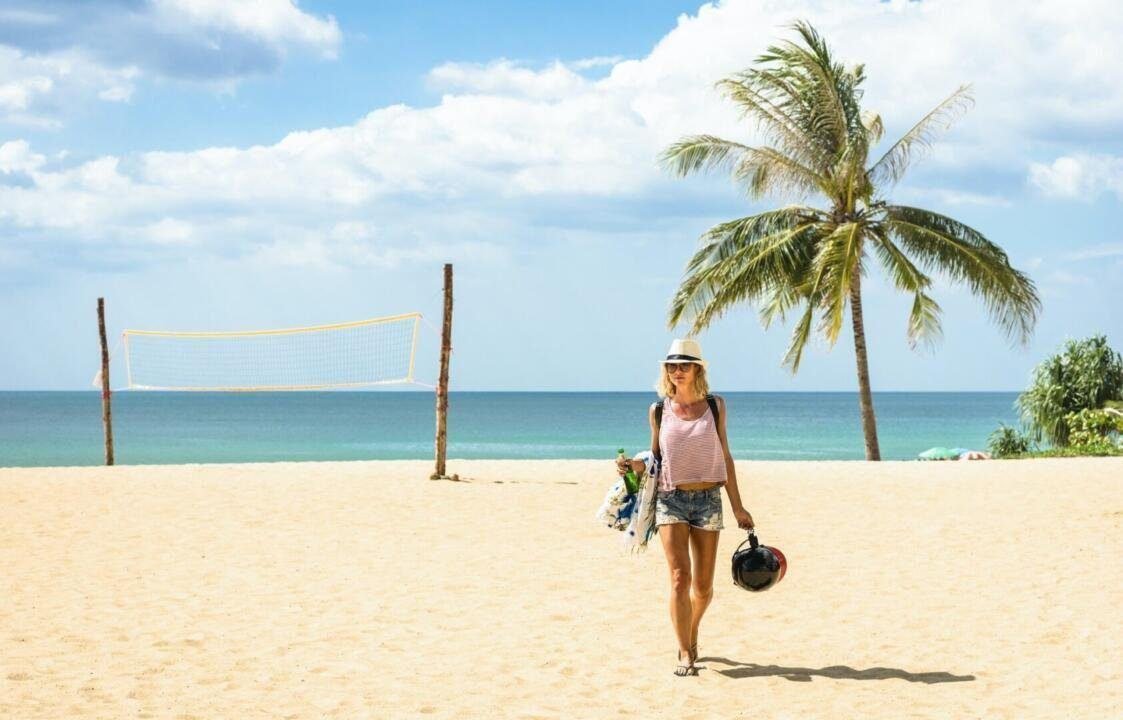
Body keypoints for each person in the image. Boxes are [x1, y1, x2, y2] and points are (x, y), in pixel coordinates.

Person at [617, 338, 753, 677]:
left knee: (703, 588)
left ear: (697, 369)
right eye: (672, 366)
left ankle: (690, 633)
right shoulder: (659, 410)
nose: (677, 371)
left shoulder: (716, 406)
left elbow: (725, 456)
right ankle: (684, 651)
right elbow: (654, 459)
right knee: (680, 578)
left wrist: (738, 507)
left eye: (684, 365)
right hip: (670, 499)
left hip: (709, 500)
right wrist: (629, 465)